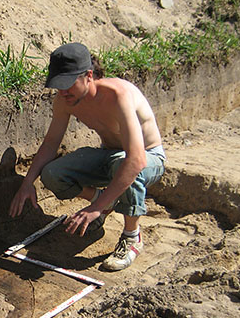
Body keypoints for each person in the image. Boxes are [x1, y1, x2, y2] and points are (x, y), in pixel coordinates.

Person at [9, 42, 166, 271]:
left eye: (68, 84)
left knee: (126, 164)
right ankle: (105, 200)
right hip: (110, 155)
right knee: (53, 173)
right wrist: (26, 183)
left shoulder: (118, 95)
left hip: (148, 157)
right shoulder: (65, 101)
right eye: (58, 86)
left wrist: (94, 209)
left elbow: (136, 159)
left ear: (88, 76)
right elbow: (51, 143)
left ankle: (132, 236)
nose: (63, 92)